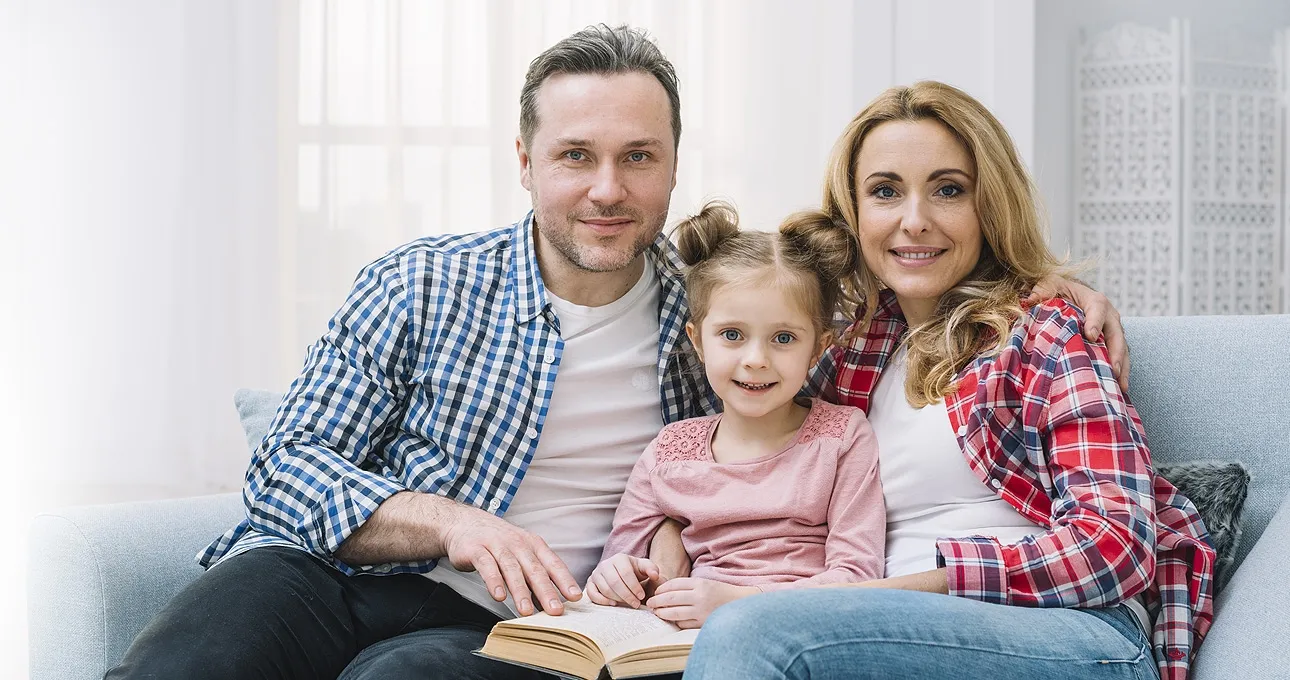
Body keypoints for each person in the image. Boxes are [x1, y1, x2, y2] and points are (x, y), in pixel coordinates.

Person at [104, 24, 1131, 680]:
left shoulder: (718, 319)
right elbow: (284, 464)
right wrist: (452, 520)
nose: (607, 188)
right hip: (339, 571)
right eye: (576, 157)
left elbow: (842, 289)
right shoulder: (420, 282)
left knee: (405, 678)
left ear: (674, 166)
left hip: (524, 626)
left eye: (638, 156)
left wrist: (1046, 288)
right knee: (199, 650)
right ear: (525, 162)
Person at [683, 81, 1216, 680]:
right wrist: (663, 545)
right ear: (854, 214)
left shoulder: (1043, 334)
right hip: (878, 629)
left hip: (1072, 633)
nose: (915, 221)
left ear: (990, 206)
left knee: (753, 631)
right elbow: (741, 428)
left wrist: (896, 591)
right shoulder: (850, 353)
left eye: (948, 190)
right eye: (885, 191)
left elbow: (1116, 546)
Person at [585, 202, 884, 628]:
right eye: (732, 335)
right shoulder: (668, 452)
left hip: (803, 630)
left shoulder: (841, 437)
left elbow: (858, 576)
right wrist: (617, 576)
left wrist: (737, 602)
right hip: (679, 638)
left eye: (784, 338)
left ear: (818, 348)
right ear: (698, 341)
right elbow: (617, 565)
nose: (755, 359)